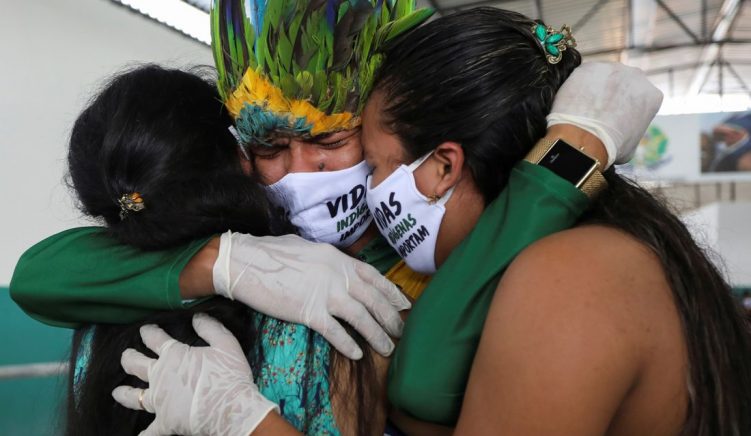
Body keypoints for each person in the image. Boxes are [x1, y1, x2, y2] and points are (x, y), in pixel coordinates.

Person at [11, 1, 660, 434]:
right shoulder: (254, 236)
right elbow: (42, 275)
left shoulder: (437, 240)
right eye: (269, 149)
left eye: (330, 142)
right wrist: (225, 264)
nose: (301, 173)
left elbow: (429, 379)